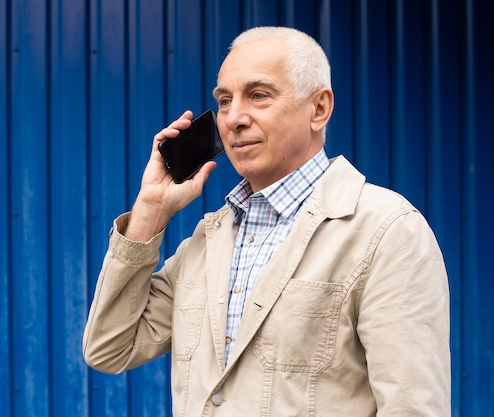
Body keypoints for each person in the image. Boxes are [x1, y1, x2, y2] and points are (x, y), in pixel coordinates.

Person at [83, 26, 451, 416]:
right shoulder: (208, 240)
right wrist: (150, 212)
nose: (234, 118)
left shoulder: (386, 230)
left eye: (258, 95)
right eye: (224, 101)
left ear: (319, 108)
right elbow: (109, 348)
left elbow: (412, 407)